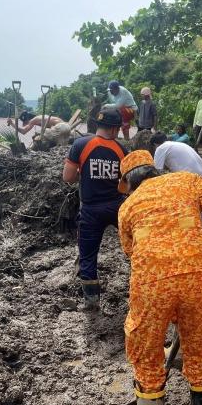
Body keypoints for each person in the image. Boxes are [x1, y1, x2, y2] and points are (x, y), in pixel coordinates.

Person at [117, 150, 202, 405]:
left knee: (146, 350)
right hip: (198, 275)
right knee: (201, 351)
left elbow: (129, 251)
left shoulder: (128, 206)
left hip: (151, 282)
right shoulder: (188, 181)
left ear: (128, 182)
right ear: (153, 171)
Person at [62, 108, 128, 310]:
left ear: (98, 125)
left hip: (90, 209)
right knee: (135, 247)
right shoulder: (122, 150)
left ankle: (91, 302)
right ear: (115, 128)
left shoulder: (81, 144)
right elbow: (127, 184)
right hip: (117, 206)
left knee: (88, 255)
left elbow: (68, 177)